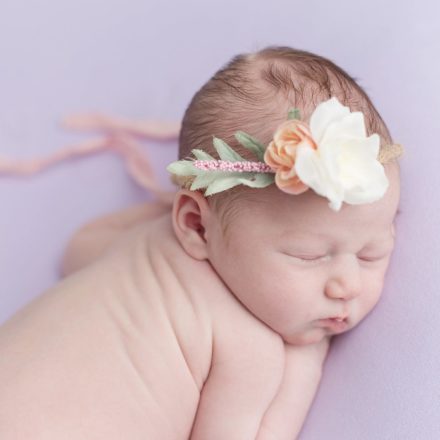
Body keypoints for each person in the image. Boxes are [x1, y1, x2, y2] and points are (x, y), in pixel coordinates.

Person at [0, 45, 403, 439]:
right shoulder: (251, 349)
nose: (347, 285)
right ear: (195, 226)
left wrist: (164, 208)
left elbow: (77, 248)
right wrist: (308, 359)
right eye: (309, 255)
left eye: (372, 252)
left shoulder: (140, 242)